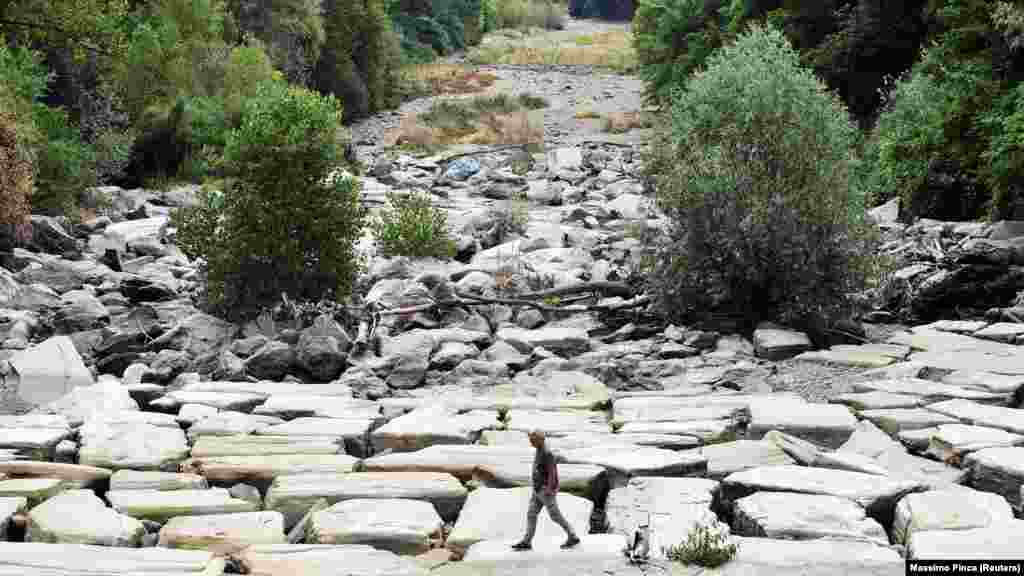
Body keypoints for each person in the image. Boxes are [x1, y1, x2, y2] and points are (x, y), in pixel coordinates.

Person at [511, 430, 581, 551]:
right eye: (530, 440)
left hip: (545, 490)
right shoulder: (539, 450)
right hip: (537, 490)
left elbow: (552, 473)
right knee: (531, 514)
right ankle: (527, 541)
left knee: (555, 516)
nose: (531, 443)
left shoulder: (547, 453)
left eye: (533, 440)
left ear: (541, 440)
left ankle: (572, 536)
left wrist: (549, 489)